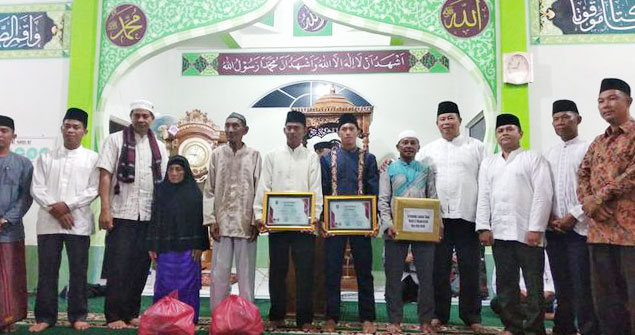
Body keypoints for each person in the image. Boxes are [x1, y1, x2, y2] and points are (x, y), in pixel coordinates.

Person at [476, 114, 553, 335]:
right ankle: (512, 326)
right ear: (496, 135)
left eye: (510, 129)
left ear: (520, 133)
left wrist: (536, 228)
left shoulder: (533, 158)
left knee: (533, 285)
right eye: (501, 130)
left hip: (528, 233)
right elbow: (484, 196)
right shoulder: (488, 163)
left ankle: (533, 328)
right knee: (506, 284)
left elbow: (543, 195)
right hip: (500, 233)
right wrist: (484, 226)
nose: (505, 133)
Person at [97, 99, 169, 329]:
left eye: (145, 116)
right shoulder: (115, 140)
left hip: (147, 215)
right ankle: (113, 315)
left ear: (152, 119)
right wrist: (105, 209)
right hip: (121, 213)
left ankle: (131, 312)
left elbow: (165, 181)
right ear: (131, 117)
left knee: (140, 267)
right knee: (118, 266)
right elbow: (106, 175)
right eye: (136, 115)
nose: (140, 119)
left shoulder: (158, 146)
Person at [416, 101, 485, 332]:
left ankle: (471, 315)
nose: (447, 122)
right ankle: (439, 314)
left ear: (460, 120)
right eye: (442, 118)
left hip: (469, 216)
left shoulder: (477, 147)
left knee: (470, 268)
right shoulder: (426, 151)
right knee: (439, 268)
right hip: (439, 220)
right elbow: (421, 186)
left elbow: (485, 184)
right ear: (437, 123)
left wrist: (485, 221)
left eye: (451, 117)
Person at [29, 109, 99, 332]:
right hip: (49, 224)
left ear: (84, 132)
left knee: (79, 272)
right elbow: (36, 188)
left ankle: (77, 315)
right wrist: (57, 209)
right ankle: (44, 317)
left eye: (76, 127)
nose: (71, 130)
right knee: (47, 271)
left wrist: (68, 206)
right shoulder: (45, 158)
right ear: (61, 129)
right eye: (67, 126)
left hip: (79, 224)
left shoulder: (93, 158)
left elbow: (94, 189)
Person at [253, 111, 322, 331]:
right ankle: (277, 316)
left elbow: (316, 190)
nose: (292, 131)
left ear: (304, 131)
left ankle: (305, 320)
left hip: (304, 228)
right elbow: (264, 187)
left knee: (305, 273)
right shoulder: (272, 156)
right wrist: (259, 215)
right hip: (278, 226)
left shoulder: (311, 157)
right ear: (284, 130)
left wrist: (314, 217)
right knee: (277, 272)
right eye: (289, 127)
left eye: (297, 128)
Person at [577, 78, 635, 335]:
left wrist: (599, 197)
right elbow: (582, 173)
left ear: (628, 102)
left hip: (630, 234)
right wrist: (589, 203)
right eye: (601, 101)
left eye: (613, 98)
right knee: (605, 301)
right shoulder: (598, 141)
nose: (606, 105)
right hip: (599, 232)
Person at [544, 99, 599, 335]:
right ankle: (562, 328)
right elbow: (545, 189)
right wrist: (549, 217)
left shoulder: (590, 149)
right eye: (556, 119)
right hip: (554, 228)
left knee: (582, 284)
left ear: (578, 119)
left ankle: (588, 329)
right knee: (561, 284)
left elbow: (595, 189)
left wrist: (573, 216)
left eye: (566, 117)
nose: (561, 122)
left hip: (581, 229)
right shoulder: (549, 152)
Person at [320, 113, 379, 334]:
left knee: (364, 271)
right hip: (334, 224)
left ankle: (368, 318)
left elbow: (373, 190)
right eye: (343, 129)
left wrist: (374, 221)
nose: (347, 133)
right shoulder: (326, 159)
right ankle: (331, 316)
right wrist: (324, 220)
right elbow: (324, 190)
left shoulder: (368, 158)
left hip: (361, 224)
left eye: (351, 129)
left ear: (357, 132)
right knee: (332, 270)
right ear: (338, 132)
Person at [379, 130, 437, 334]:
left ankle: (426, 322)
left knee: (426, 278)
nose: (409, 146)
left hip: (423, 230)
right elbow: (383, 200)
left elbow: (433, 198)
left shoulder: (426, 169)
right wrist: (388, 224)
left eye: (413, 142)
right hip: (394, 231)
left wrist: (437, 228)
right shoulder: (389, 169)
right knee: (393, 278)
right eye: (405, 142)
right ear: (398, 146)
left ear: (418, 147)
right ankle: (394, 321)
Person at [205, 113, 261, 311]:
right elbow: (209, 189)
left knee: (246, 276)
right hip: (221, 224)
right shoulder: (217, 154)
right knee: (219, 275)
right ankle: (218, 317)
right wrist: (211, 220)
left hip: (246, 224)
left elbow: (259, 189)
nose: (230, 130)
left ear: (245, 130)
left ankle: (247, 318)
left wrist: (256, 220)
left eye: (235, 126)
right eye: (227, 125)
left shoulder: (254, 155)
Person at [146, 155, 209, 323]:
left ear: (185, 172)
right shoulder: (160, 191)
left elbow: (200, 222)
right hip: (166, 250)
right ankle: (163, 318)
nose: (174, 173)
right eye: (171, 169)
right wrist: (152, 244)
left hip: (188, 251)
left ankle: (187, 318)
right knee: (164, 284)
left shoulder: (194, 193)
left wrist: (199, 245)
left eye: (178, 169)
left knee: (187, 286)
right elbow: (155, 219)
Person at [0, 115, 33, 333]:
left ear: (14, 136)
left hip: (9, 232)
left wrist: (6, 219)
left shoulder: (23, 164)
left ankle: (7, 320)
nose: (0, 134)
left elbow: (26, 197)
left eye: (4, 130)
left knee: (9, 278)